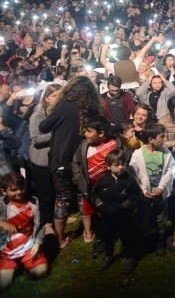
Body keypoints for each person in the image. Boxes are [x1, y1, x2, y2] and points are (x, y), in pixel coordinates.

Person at [38, 75, 104, 249]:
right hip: (83, 161)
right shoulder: (92, 110)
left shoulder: (64, 107)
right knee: (84, 197)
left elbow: (43, 127)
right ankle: (89, 234)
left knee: (62, 200)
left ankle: (60, 240)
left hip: (60, 162)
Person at [71, 114, 124, 258]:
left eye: (89, 131)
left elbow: (124, 161)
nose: (85, 134)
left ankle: (114, 236)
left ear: (101, 133)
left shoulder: (115, 145)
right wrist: (78, 179)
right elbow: (75, 162)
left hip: (110, 190)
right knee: (97, 216)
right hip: (91, 189)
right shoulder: (84, 145)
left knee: (109, 214)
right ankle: (102, 240)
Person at [129, 123, 175, 256]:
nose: (164, 139)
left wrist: (161, 186)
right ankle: (143, 243)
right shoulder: (138, 155)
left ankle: (160, 241)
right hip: (146, 195)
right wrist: (143, 190)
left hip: (160, 194)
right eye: (161, 136)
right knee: (144, 219)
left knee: (161, 219)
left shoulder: (165, 152)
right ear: (150, 139)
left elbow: (171, 170)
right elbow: (134, 175)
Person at [93, 149, 142, 273]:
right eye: (116, 165)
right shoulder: (103, 180)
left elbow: (136, 195)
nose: (120, 167)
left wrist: (125, 205)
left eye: (123, 164)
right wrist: (101, 205)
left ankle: (130, 258)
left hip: (124, 217)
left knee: (127, 237)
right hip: (107, 217)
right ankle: (109, 256)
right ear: (108, 166)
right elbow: (94, 195)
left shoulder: (129, 180)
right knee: (108, 237)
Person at [0, 172, 49, 292]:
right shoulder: (1, 204)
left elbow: (40, 225)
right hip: (7, 251)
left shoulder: (33, 202)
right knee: (3, 285)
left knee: (41, 272)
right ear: (4, 191)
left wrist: (38, 243)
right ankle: (11, 264)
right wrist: (1, 223)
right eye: (14, 190)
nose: (19, 192)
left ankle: (24, 263)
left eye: (21, 188)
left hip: (28, 247)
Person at [27, 83, 61, 230]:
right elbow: (35, 139)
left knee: (57, 191)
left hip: (55, 160)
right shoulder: (38, 115)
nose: (58, 98)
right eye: (54, 96)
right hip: (41, 162)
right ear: (46, 98)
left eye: (60, 95)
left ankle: (56, 216)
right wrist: (55, 134)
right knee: (45, 194)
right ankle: (46, 223)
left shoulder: (60, 112)